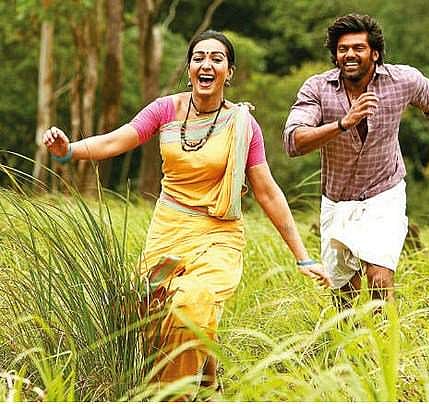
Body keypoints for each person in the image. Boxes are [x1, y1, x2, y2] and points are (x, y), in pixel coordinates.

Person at [43, 30, 332, 393]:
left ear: (229, 72)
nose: (206, 64)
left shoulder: (243, 125)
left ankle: (173, 397)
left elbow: (267, 192)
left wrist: (303, 257)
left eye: (216, 58)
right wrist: (70, 151)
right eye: (198, 58)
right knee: (147, 310)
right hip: (169, 229)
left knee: (191, 305)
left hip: (218, 235)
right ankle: (209, 384)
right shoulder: (165, 109)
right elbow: (119, 139)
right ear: (190, 68)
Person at [283, 14, 429, 306]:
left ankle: (387, 336)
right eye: (343, 49)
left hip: (384, 194)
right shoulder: (317, 88)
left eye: (358, 48)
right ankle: (354, 337)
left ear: (375, 53)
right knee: (345, 296)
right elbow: (293, 141)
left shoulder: (403, 80)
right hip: (337, 200)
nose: (349, 55)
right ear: (335, 55)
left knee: (379, 278)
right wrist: (343, 123)